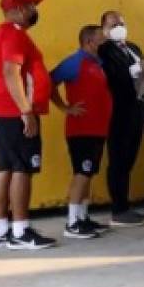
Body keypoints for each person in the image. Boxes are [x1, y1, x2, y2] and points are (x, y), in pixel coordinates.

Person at [0, 0, 56, 250]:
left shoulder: (0, 33)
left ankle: (0, 229)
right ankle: (21, 230)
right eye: (30, 6)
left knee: (5, 167)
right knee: (22, 168)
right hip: (15, 113)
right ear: (17, 9)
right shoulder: (15, 35)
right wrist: (26, 111)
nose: (34, 11)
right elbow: (10, 72)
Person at [49, 25, 113, 239]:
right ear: (89, 41)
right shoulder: (75, 62)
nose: (105, 42)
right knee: (82, 173)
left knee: (89, 173)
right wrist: (65, 107)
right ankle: (73, 222)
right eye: (101, 39)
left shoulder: (98, 63)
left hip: (97, 128)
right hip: (81, 129)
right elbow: (50, 82)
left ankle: (83, 216)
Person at [97, 10, 144, 226]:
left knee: (129, 158)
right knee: (118, 159)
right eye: (113, 24)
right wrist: (137, 68)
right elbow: (112, 76)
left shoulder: (133, 48)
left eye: (122, 23)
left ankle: (125, 204)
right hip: (117, 110)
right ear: (104, 29)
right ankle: (118, 208)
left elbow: (141, 72)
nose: (119, 27)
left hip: (137, 107)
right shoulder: (103, 50)